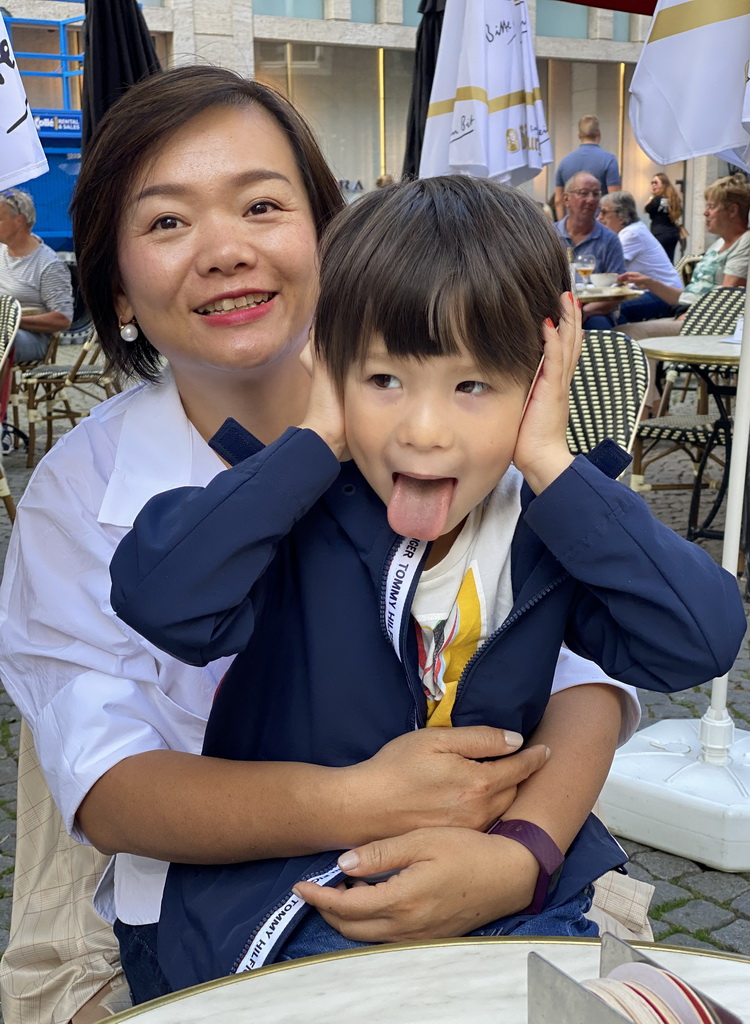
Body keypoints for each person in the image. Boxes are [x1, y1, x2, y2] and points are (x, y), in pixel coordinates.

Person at [0, 67, 615, 1020]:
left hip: (496, 862)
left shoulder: (449, 426)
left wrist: (519, 856)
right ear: (116, 289)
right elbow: (108, 784)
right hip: (221, 910)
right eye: (166, 222)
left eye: (261, 204)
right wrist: (367, 802)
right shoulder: (81, 495)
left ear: (332, 241)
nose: (224, 250)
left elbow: (582, 671)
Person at [110, 176, 745, 995]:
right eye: (383, 380)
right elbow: (161, 598)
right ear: (330, 369)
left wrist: (552, 464)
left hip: (506, 892)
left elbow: (699, 637)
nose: (423, 429)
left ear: (542, 379)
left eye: (472, 385)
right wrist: (313, 438)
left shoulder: (547, 534)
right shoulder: (289, 512)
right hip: (298, 906)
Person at [618, 173, 750, 338]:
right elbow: (686, 298)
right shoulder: (718, 244)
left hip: (709, 325)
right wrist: (649, 282)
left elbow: (726, 299)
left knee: (626, 333)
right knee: (617, 323)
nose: (705, 213)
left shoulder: (747, 242)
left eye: (711, 206)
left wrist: (689, 316)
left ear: (732, 210)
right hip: (688, 314)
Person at [0, 188, 73, 362]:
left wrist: (13, 320)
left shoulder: (48, 264)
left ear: (19, 221)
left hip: (32, 338)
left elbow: (63, 320)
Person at [596, 191, 683, 322]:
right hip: (651, 291)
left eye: (604, 212)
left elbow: (605, 269)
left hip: (665, 295)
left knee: (616, 309)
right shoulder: (632, 230)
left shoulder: (632, 234)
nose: (599, 217)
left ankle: (621, 341)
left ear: (622, 216)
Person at [555, 171, 625, 330]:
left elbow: (618, 289)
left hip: (594, 312)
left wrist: (584, 312)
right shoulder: (550, 235)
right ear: (566, 198)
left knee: (598, 329)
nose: (591, 199)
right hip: (556, 309)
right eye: (583, 193)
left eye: (596, 194)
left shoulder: (609, 240)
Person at [553, 115, 620, 220]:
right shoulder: (609, 160)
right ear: (599, 134)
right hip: (598, 225)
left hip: (571, 226)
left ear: (579, 135)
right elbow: (615, 199)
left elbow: (558, 200)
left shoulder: (564, 162)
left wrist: (562, 226)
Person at [645, 172, 683, 262]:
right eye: (652, 183)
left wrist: (651, 197)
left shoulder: (657, 199)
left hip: (659, 233)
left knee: (658, 261)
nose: (653, 185)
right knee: (669, 261)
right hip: (673, 233)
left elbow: (647, 208)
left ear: (663, 184)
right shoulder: (672, 198)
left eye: (656, 183)